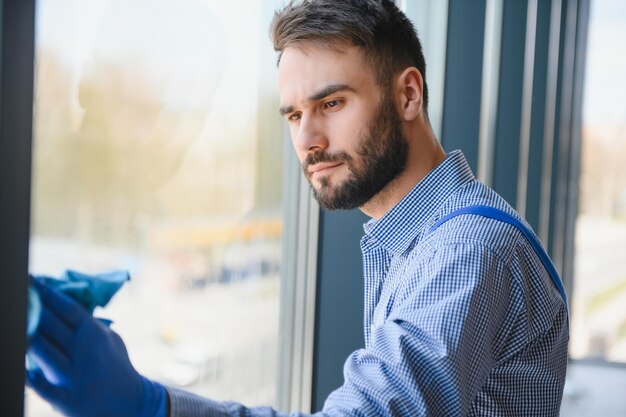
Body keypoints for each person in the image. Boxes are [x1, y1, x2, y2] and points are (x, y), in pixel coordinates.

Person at [26, 0, 569, 416]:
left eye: (331, 103)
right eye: (292, 115)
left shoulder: (466, 250)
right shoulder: (421, 237)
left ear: (408, 96)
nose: (307, 139)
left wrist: (149, 405)